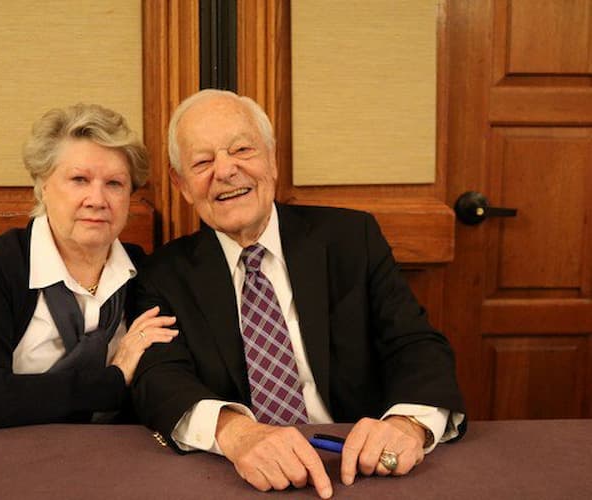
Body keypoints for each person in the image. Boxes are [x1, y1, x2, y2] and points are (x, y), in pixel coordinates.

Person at [131, 89, 466, 498]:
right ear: (181, 184)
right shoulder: (162, 274)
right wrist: (236, 433)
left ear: (272, 160)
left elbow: (415, 344)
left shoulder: (351, 239)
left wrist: (405, 426)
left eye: (241, 149)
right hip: (245, 479)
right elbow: (158, 377)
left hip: (358, 468)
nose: (225, 171)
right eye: (202, 162)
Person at [0, 103, 177, 428]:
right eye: (79, 179)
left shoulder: (144, 273)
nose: (97, 199)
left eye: (114, 183)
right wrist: (111, 382)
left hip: (98, 459)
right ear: (44, 184)